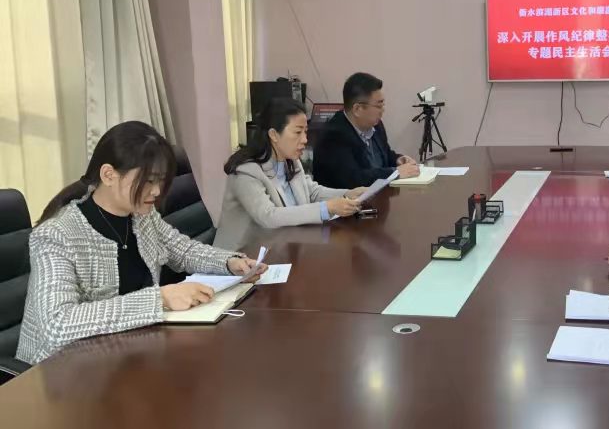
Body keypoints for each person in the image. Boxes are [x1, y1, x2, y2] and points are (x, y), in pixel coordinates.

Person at [18, 121, 267, 364]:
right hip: (62, 371)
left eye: (160, 180)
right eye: (148, 180)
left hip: (125, 353)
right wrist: (160, 299)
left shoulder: (141, 216)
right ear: (108, 175)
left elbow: (183, 250)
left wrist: (229, 262)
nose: (156, 191)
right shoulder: (56, 235)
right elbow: (57, 324)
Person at [215, 97, 368, 250]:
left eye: (305, 132)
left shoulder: (290, 161)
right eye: (297, 132)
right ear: (274, 135)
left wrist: (347, 194)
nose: (305, 139)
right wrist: (326, 208)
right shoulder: (246, 171)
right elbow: (268, 216)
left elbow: (312, 192)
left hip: (283, 247)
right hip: (242, 256)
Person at [312, 72, 420, 189]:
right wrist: (395, 173)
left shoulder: (376, 125)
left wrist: (398, 160)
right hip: (349, 199)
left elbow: (386, 156)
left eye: (383, 104)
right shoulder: (334, 136)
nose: (383, 110)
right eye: (379, 106)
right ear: (357, 109)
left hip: (380, 195)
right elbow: (353, 179)